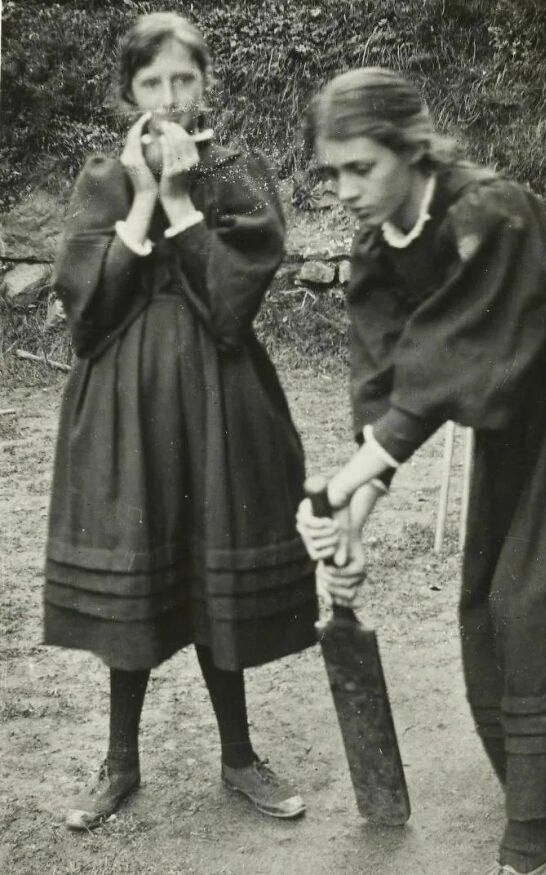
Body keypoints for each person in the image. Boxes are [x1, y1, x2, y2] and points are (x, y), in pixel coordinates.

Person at [296, 67, 546, 875]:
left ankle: (534, 820)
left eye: (360, 167)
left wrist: (354, 480)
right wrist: (351, 519)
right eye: (330, 171)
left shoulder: (491, 210)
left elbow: (457, 361)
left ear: (411, 149)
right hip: (513, 400)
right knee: (493, 585)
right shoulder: (378, 248)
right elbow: (391, 395)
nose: (343, 189)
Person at [45, 12, 317, 829]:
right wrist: (136, 201)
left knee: (213, 565)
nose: (169, 96)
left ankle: (238, 755)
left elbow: (233, 308)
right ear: (129, 91)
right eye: (152, 82)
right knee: (138, 563)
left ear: (206, 83)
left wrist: (177, 197)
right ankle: (119, 761)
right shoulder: (100, 177)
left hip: (219, 401)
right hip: (123, 407)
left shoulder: (236, 173)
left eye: (184, 79)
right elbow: (88, 319)